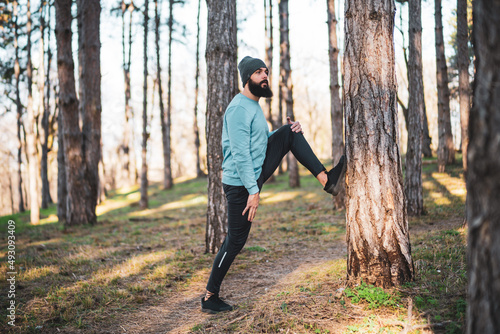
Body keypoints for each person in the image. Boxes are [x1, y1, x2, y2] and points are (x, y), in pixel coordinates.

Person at [201, 56, 346, 314]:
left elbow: (258, 141)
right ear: (248, 78)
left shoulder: (254, 106)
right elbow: (241, 153)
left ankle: (328, 181)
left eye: (266, 72)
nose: (265, 76)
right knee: (235, 241)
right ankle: (210, 296)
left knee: (290, 131)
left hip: (254, 174)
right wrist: (253, 191)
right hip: (239, 184)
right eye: (259, 72)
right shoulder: (238, 109)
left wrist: (284, 132)